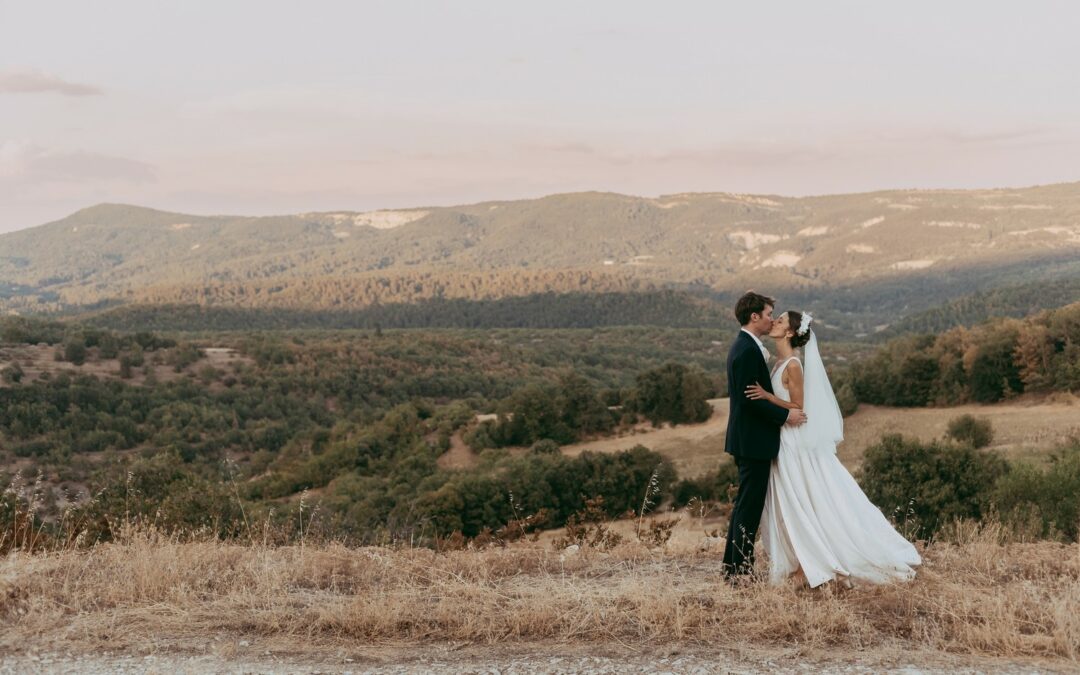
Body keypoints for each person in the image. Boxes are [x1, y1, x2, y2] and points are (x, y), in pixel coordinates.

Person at [747, 310, 921, 587]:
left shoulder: (793, 365)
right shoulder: (779, 362)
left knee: (801, 498)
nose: (775, 323)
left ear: (790, 332)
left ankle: (815, 559)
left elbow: (798, 407)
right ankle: (799, 559)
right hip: (782, 439)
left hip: (793, 441)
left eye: (780, 321)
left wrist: (767, 396)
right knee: (790, 500)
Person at [722, 291, 807, 580]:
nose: (772, 318)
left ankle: (734, 569)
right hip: (752, 441)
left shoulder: (749, 346)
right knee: (748, 508)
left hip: (750, 440)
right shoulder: (746, 350)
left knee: (745, 506)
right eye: (769, 313)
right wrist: (786, 416)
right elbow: (750, 400)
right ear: (754, 316)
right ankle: (738, 573)